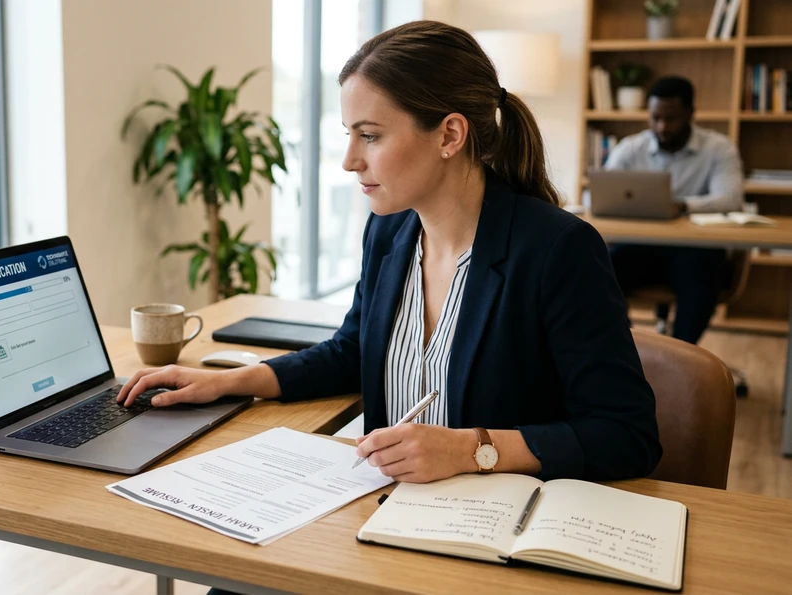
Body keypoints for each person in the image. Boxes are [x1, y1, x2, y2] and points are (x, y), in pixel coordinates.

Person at [118, 22, 661, 592]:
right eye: (349, 135)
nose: (350, 160)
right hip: (380, 521)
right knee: (233, 579)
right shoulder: (391, 232)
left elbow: (626, 434)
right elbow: (352, 351)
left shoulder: (557, 249)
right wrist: (230, 381)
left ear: (450, 134)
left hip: (485, 544)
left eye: (370, 136)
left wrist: (472, 449)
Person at [604, 76, 745, 344]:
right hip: (640, 247)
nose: (662, 127)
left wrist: (682, 205)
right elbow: (603, 193)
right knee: (598, 267)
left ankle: (681, 355)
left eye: (671, 119)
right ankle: (625, 346)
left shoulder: (718, 149)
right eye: (655, 118)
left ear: (691, 113)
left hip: (695, 250)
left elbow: (731, 199)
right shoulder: (631, 148)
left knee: (705, 272)